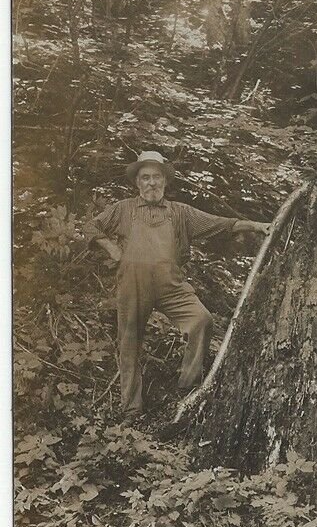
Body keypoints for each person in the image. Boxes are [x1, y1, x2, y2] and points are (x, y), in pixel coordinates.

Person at [85, 150, 269, 419]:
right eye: (145, 177)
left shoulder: (180, 213)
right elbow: (91, 227)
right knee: (129, 343)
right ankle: (131, 409)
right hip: (133, 286)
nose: (151, 183)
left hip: (171, 285)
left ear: (165, 181)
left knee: (201, 320)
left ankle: (187, 390)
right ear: (137, 182)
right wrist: (112, 248)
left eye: (156, 177)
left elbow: (221, 224)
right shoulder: (123, 209)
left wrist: (256, 225)